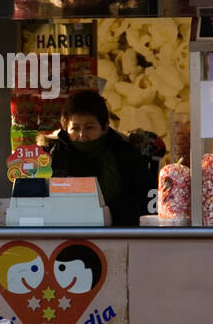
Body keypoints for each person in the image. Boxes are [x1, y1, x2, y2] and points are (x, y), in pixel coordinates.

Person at [45, 90, 158, 227]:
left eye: (89, 127)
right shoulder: (54, 157)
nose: (82, 135)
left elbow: (145, 198)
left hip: (122, 234)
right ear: (65, 128)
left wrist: (112, 214)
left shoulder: (126, 154)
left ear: (104, 127)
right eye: (75, 128)